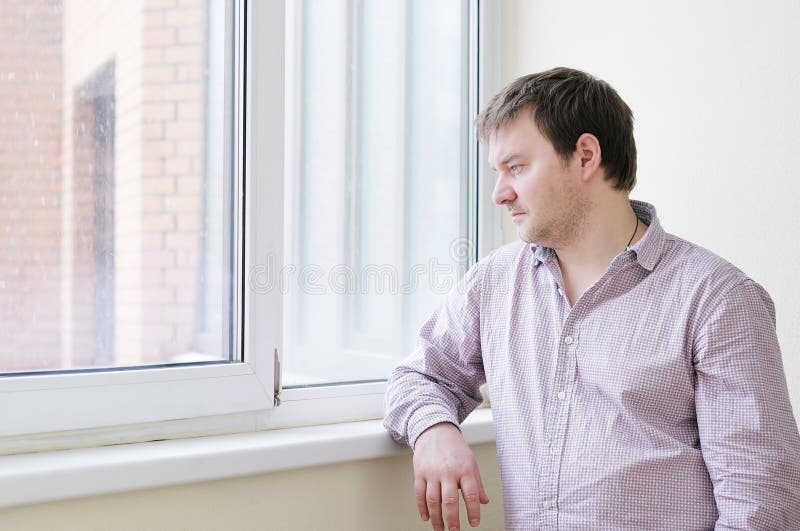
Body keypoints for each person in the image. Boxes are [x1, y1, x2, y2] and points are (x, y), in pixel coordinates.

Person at [383, 67, 800, 531]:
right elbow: (418, 376)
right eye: (497, 172)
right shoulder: (494, 282)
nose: (500, 193)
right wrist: (435, 431)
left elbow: (762, 506)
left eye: (516, 167)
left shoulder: (718, 300)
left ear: (585, 156)